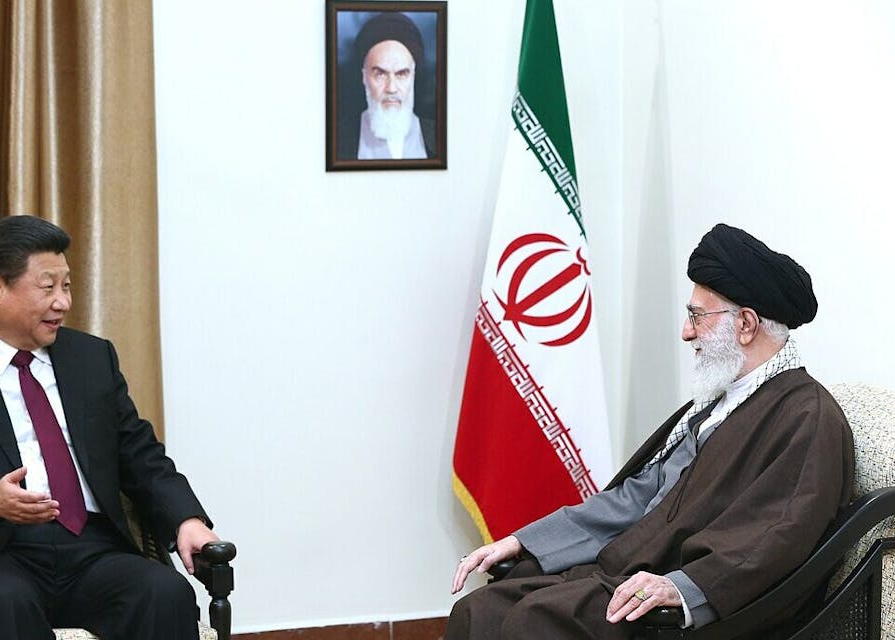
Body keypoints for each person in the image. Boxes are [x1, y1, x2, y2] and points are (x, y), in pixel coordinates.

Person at [446, 223, 855, 639]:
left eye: (697, 315)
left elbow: (778, 536)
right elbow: (636, 498)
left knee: (532, 623)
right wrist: (524, 541)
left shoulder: (807, 417)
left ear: (746, 324)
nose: (686, 331)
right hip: (627, 570)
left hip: (687, 606)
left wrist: (682, 588)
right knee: (479, 612)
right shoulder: (718, 403)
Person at [0, 215, 219, 639]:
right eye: (47, 287)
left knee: (165, 591)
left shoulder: (91, 358)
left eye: (66, 286)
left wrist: (185, 519)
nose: (63, 302)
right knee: (6, 602)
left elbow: (139, 453)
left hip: (89, 548)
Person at [336, 12, 436, 160]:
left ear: (413, 77)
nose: (391, 88)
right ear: (364, 77)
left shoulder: (440, 134)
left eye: (401, 74)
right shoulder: (338, 138)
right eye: (380, 74)